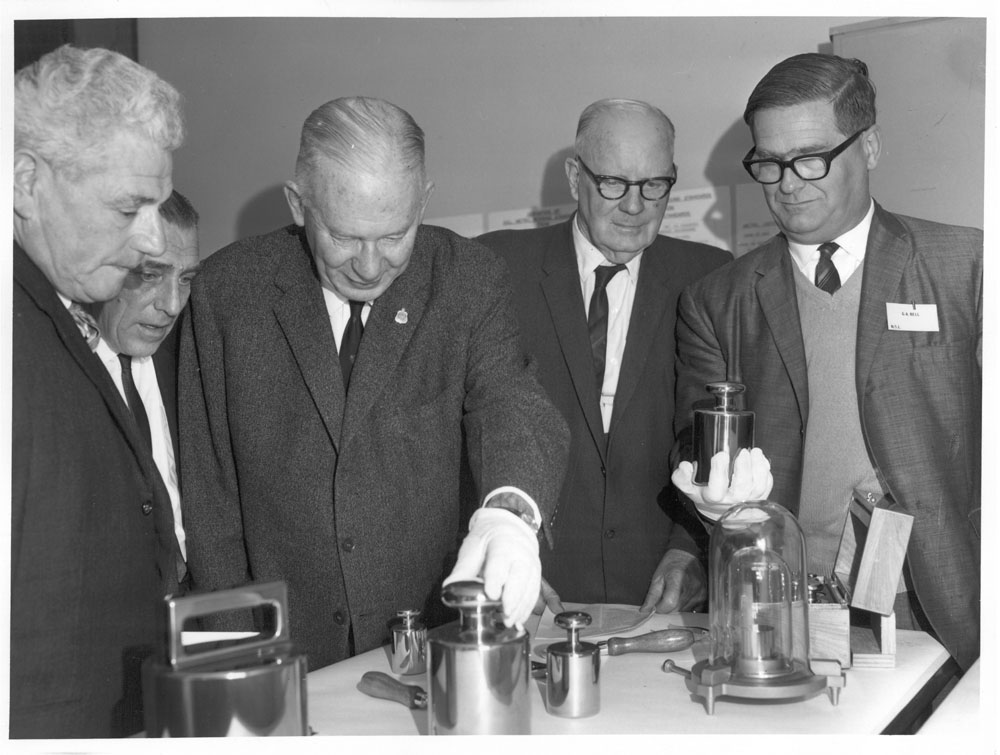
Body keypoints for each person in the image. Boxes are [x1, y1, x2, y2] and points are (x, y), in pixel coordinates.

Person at [178, 96, 569, 671]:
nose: (368, 265)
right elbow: (211, 506)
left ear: (423, 202)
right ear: (298, 204)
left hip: (432, 645)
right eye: (343, 237)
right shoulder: (228, 292)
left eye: (393, 236)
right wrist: (237, 666)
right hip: (283, 655)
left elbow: (512, 403)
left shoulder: (468, 280)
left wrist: (510, 515)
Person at [672, 53, 981, 671]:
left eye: (811, 158)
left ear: (869, 146)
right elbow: (695, 447)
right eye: (769, 163)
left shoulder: (966, 266)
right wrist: (711, 496)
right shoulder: (716, 300)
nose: (788, 183)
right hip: (790, 606)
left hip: (943, 597)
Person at [478, 99, 731, 612]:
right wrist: (505, 548)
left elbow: (712, 441)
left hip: (659, 593)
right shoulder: (496, 267)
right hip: (531, 583)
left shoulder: (710, 277)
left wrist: (691, 552)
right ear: (576, 178)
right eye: (613, 183)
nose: (635, 206)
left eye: (654, 185)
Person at [11, 45, 184, 737]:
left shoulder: (61, 305)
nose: (153, 241)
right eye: (128, 207)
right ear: (25, 181)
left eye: (158, 207)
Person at [89, 190, 202, 579]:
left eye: (185, 279)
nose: (172, 304)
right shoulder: (50, 367)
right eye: (151, 275)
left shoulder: (193, 355)